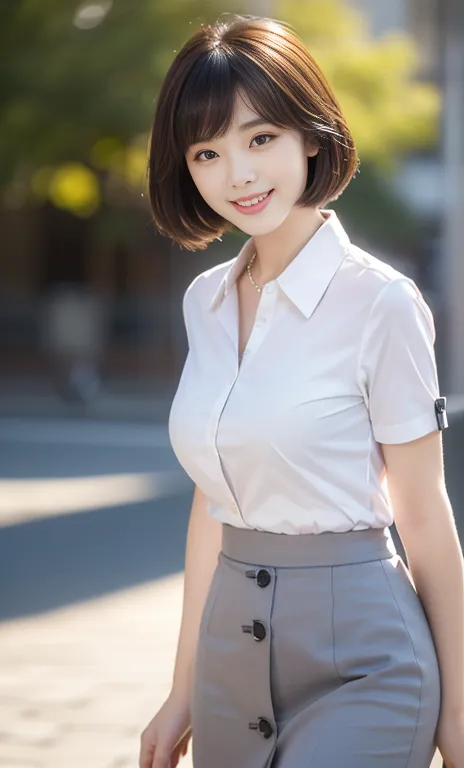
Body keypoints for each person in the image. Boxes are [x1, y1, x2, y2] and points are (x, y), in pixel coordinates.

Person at [139, 15, 464, 768]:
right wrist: (182, 684)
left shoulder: (381, 303)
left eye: (260, 139)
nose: (239, 175)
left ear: (310, 138)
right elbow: (212, 502)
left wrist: (458, 708)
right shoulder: (206, 303)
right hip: (228, 657)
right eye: (208, 153)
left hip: (366, 664)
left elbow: (423, 510)